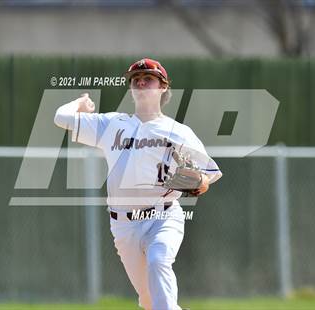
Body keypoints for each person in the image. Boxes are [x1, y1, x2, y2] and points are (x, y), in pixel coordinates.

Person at [54, 58, 222, 310]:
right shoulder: (111, 124)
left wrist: (200, 182)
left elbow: (208, 175)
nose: (141, 82)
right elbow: (60, 117)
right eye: (136, 80)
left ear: (163, 87)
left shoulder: (178, 131)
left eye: (148, 79)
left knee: (159, 260)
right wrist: (80, 103)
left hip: (163, 216)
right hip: (124, 225)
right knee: (148, 300)